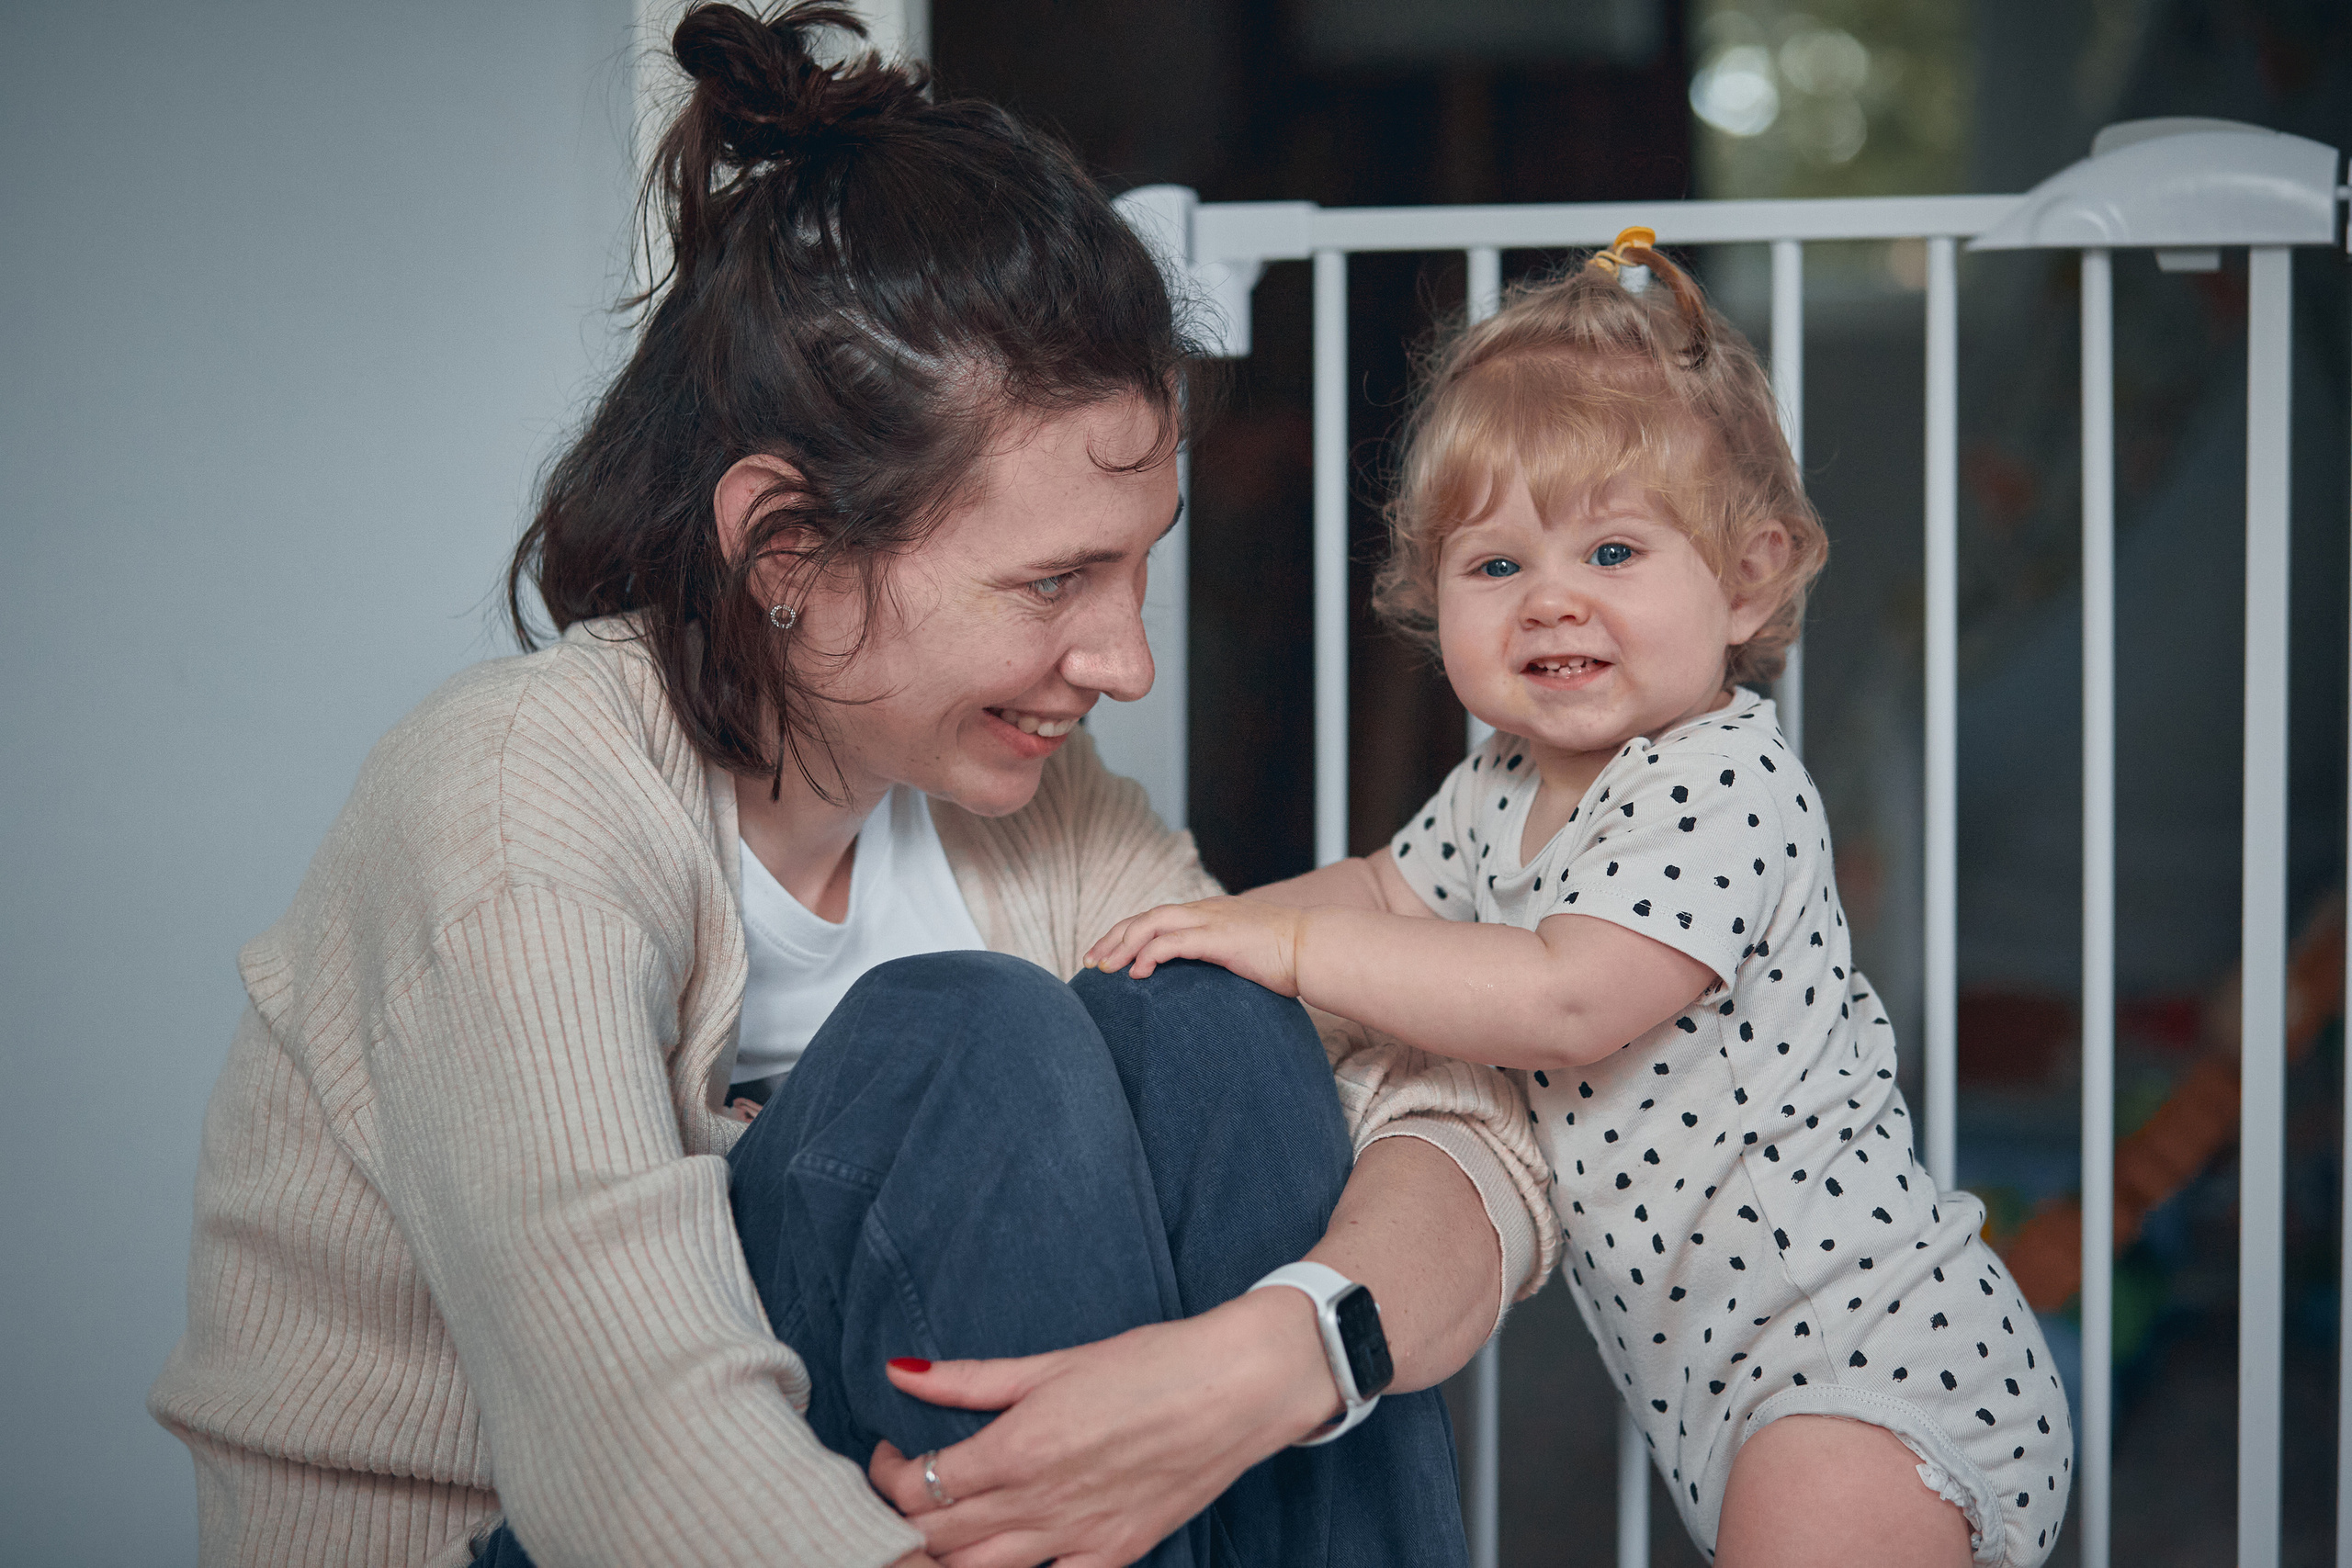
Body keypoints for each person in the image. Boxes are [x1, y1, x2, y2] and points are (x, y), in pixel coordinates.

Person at [145, 7, 1559, 1566]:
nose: (1127, 664)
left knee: (1219, 1030)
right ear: (788, 550)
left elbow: (1449, 1121)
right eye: (1054, 582)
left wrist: (1286, 1353)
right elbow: (638, 1457)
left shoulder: (1034, 815)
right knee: (970, 1042)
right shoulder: (511, 811)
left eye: (1136, 570)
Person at [1086, 233, 2076, 1568]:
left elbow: (1565, 998)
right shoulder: (1501, 782)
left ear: (1747, 579)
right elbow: (1387, 891)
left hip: (1866, 1355)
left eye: (1613, 550)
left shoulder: (1724, 783)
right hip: (1719, 1387)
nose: (1551, 601)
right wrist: (1213, 930)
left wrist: (1299, 948)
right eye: (1497, 567)